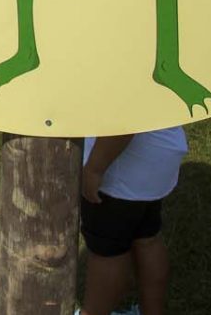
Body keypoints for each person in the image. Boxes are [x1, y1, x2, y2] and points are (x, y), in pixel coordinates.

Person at [78, 128, 188, 315]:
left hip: (122, 170)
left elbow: (122, 125)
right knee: (147, 237)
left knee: (107, 251)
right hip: (158, 153)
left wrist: (94, 169)